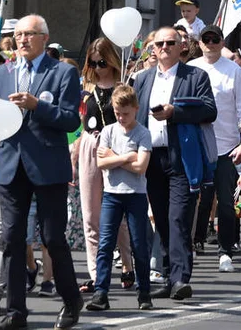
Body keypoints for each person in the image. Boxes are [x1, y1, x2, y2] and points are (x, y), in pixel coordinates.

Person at [0, 15, 83, 330]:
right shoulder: (2, 73)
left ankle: (71, 299)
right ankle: (16, 312)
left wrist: (36, 106)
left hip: (47, 166)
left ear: (44, 37)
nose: (22, 40)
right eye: (17, 35)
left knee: (53, 238)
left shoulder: (63, 72)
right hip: (11, 164)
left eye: (29, 34)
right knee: (14, 239)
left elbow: (72, 120)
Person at [134, 26, 217, 302]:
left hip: (182, 155)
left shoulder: (195, 75)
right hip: (152, 157)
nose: (165, 47)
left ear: (182, 46)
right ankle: (170, 275)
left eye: (171, 42)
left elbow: (209, 110)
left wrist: (174, 113)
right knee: (161, 218)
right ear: (153, 48)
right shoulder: (143, 79)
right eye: (160, 43)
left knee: (178, 217)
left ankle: (181, 278)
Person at [85, 85, 154, 313]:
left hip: (135, 195)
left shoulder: (142, 133)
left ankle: (144, 292)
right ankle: (101, 292)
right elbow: (101, 162)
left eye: (126, 113)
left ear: (135, 109)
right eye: (117, 113)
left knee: (138, 245)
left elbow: (141, 167)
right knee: (105, 244)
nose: (121, 118)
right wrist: (124, 157)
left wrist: (114, 158)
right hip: (112, 194)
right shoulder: (108, 132)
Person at [190, 24, 241, 272]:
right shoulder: (191, 69)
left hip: (226, 146)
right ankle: (193, 243)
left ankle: (225, 250)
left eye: (215, 39)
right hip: (196, 145)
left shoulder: (234, 71)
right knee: (195, 200)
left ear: (222, 42)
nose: (211, 43)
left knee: (225, 202)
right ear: (200, 42)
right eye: (206, 39)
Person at [74, 38, 134, 293]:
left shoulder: (123, 86)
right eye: (92, 63)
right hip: (89, 146)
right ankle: (97, 273)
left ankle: (128, 264)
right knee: (90, 215)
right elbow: (79, 121)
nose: (98, 68)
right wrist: (75, 148)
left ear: (111, 61)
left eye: (102, 62)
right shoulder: (85, 87)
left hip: (115, 146)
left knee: (117, 214)